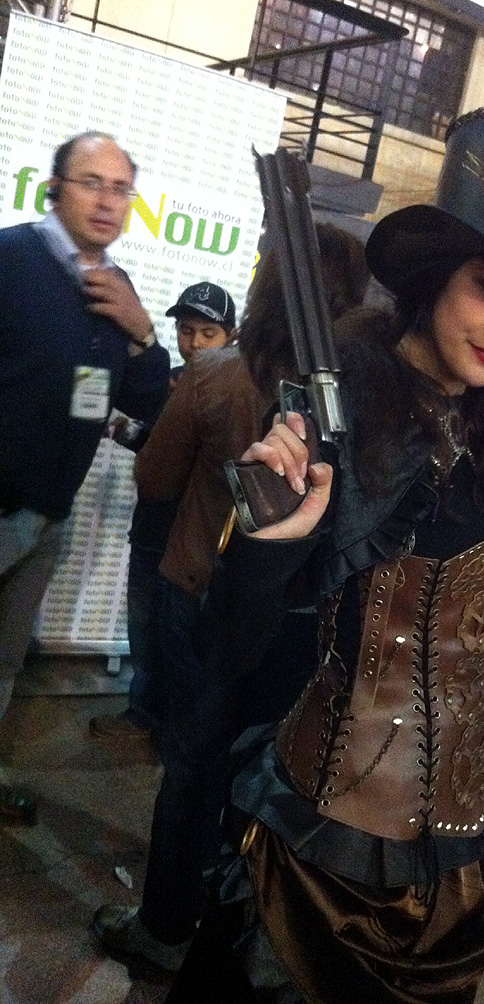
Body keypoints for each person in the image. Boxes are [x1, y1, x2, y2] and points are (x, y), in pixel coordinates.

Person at [163, 106, 484, 1004]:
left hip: (461, 855)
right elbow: (224, 653)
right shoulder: (332, 406)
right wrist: (269, 547)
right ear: (435, 274)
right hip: (318, 841)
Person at [92, 224, 370, 972]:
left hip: (203, 592)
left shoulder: (214, 374)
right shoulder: (360, 401)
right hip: (302, 620)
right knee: (266, 771)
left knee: (192, 762)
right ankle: (238, 923)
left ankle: (164, 923)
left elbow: (155, 480)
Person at [0, 131, 170, 825]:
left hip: (50, 517)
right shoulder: (11, 259)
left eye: (120, 188)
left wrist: (143, 332)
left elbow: (148, 401)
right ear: (54, 188)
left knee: (6, 660)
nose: (107, 200)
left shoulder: (115, 288)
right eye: (90, 182)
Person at [90, 282, 238, 741]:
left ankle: (177, 735)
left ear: (230, 336)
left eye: (208, 333)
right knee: (143, 630)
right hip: (152, 527)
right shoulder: (168, 382)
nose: (195, 343)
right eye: (186, 331)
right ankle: (142, 716)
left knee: (180, 643)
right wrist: (124, 429)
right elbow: (158, 449)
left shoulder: (232, 390)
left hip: (194, 541)